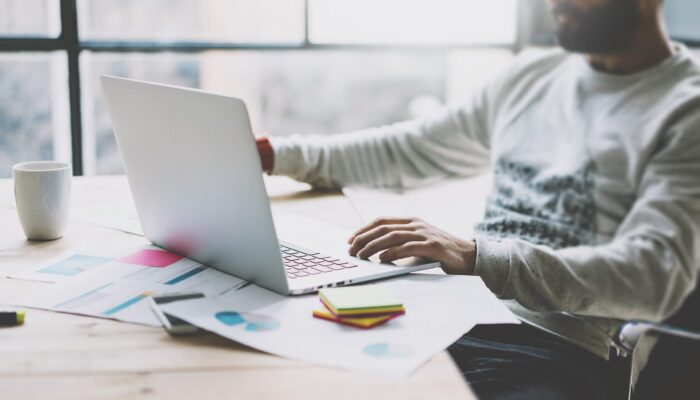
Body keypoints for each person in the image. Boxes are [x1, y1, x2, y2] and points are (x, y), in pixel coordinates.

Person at [256, 0, 700, 398]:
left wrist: (476, 256)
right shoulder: (533, 76)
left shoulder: (686, 110)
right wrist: (277, 155)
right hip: (442, 312)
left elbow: (652, 277)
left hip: (553, 345)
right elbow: (409, 150)